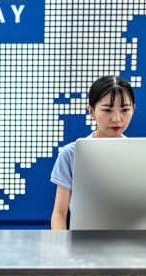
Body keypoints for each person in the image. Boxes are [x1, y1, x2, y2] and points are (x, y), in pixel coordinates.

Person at [50, 76, 136, 229]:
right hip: (82, 239)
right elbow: (59, 213)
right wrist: (60, 243)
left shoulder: (140, 154)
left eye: (125, 110)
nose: (116, 119)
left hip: (132, 239)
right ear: (91, 111)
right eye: (107, 110)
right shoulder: (71, 153)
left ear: (133, 110)